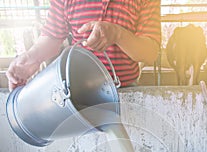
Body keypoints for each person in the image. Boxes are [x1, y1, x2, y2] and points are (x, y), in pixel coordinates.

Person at [6, 0, 161, 91]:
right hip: (80, 91)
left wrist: (118, 34)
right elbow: (53, 36)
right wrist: (31, 57)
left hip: (126, 91)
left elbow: (150, 52)